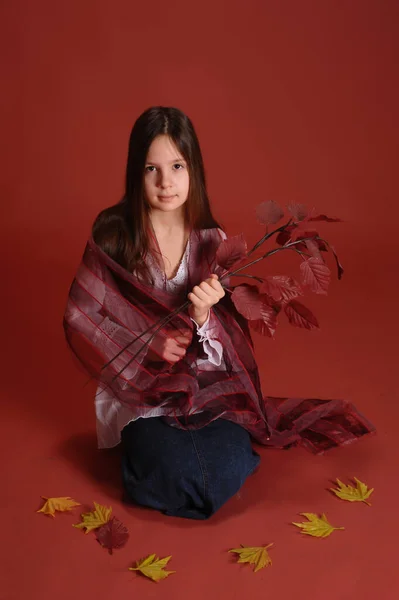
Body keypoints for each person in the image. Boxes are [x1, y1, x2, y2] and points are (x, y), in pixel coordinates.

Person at [64, 106, 375, 520]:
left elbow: (228, 346)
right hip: (141, 386)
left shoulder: (212, 241)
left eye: (177, 166)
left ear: (194, 169)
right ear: (135, 173)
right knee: (173, 469)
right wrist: (146, 343)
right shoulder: (115, 235)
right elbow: (83, 315)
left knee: (223, 466)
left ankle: (189, 465)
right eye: (151, 169)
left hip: (204, 385)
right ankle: (147, 460)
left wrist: (203, 316)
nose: (166, 182)